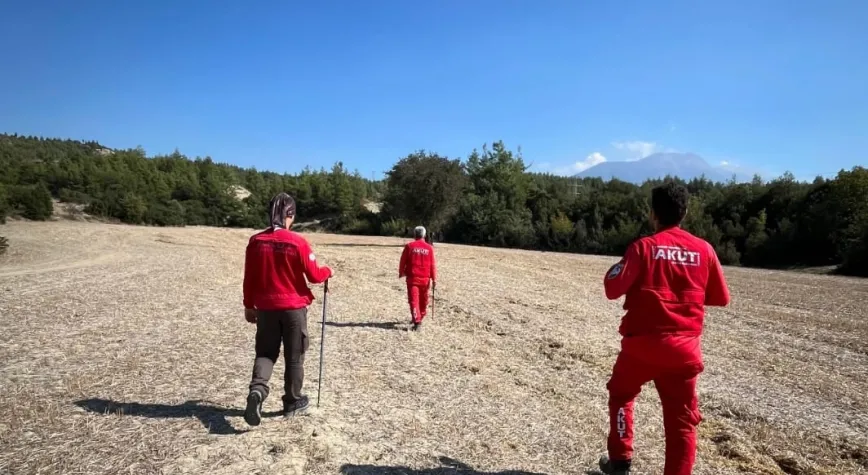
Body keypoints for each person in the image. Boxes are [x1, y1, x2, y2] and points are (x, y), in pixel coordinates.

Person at [598, 182, 731, 475]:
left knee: (621, 395)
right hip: (684, 352)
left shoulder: (642, 248)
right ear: (685, 211)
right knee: (682, 422)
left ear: (653, 213)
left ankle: (620, 459)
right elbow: (721, 297)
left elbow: (612, 288)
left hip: (641, 348)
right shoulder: (704, 249)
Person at [242, 192, 334, 426]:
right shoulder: (297, 242)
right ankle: (292, 401)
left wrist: (248, 305)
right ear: (290, 215)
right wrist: (328, 272)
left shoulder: (256, 242)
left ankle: (258, 390)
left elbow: (249, 277)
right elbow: (314, 275)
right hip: (293, 308)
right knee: (294, 356)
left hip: (265, 307)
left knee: (265, 353)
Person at [398, 225, 437, 331]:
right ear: (424, 235)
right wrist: (434, 278)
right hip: (425, 280)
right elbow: (432, 264)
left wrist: (401, 272)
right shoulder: (429, 248)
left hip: (412, 279)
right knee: (423, 301)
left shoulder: (409, 246)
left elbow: (403, 261)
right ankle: (419, 317)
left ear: (414, 234)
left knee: (414, 301)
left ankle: (417, 321)